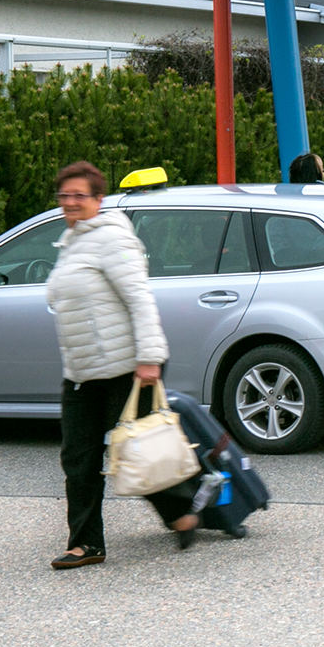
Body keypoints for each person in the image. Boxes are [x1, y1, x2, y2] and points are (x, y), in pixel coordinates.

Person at [45, 161, 202, 569]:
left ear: (99, 199)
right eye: (65, 196)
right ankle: (85, 544)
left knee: (141, 451)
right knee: (77, 459)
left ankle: (183, 511)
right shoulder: (72, 241)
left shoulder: (111, 238)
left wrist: (149, 358)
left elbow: (139, 298)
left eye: (80, 195)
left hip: (126, 366)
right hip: (81, 373)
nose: (71, 203)